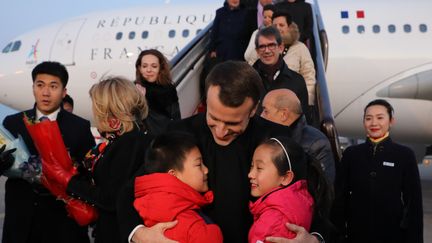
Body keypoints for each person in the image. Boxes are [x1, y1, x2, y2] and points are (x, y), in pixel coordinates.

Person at [118, 61, 326, 243]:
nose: (221, 131)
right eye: (214, 118)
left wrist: (315, 238)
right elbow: (132, 191)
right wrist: (139, 234)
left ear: (253, 110)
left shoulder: (277, 140)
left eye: (232, 123)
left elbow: (307, 203)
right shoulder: (178, 134)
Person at [43, 76, 152, 242]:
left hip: (118, 233)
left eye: (97, 106)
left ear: (109, 108)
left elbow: (111, 198)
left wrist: (69, 181)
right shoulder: (118, 140)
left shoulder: (129, 142)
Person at [1, 61, 95, 243]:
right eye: (40, 85)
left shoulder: (79, 127)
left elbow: (89, 175)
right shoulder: (12, 123)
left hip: (63, 224)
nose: (45, 93)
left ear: (64, 92)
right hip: (21, 223)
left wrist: (70, 171)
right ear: (33, 87)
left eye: (53, 86)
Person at [333, 99, 423, 243]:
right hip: (356, 234)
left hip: (392, 235)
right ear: (364, 122)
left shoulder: (404, 155)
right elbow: (339, 198)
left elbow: (413, 204)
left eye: (380, 118)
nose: (374, 123)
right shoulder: (352, 154)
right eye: (368, 118)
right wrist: (338, 235)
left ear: (391, 121)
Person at [133, 132, 223, 243]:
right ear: (173, 174)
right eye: (199, 164)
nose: (206, 170)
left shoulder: (145, 207)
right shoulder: (197, 228)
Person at [249, 137, 316, 242]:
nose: (250, 174)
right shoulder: (298, 199)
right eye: (251, 166)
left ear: (286, 177)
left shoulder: (273, 221)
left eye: (259, 168)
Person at [261, 89, 335, 183]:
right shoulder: (266, 136)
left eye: (265, 111)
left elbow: (322, 189)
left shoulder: (316, 144)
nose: (261, 115)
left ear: (283, 114)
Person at [252, 26, 309, 116]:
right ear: (257, 51)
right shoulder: (247, 80)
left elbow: (304, 120)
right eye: (262, 46)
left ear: (281, 48)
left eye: (271, 45)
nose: (267, 51)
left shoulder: (297, 81)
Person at [272, 11, 316, 107]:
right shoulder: (267, 49)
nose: (278, 28)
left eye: (281, 25)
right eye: (274, 26)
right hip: (271, 105)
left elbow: (309, 76)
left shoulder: (300, 48)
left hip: (295, 105)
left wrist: (306, 102)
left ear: (289, 27)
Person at [135, 49, 180, 135]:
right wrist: (140, 101)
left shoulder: (169, 88)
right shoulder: (134, 89)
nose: (149, 70)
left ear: (160, 68)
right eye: (144, 66)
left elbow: (176, 118)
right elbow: (133, 122)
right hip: (144, 141)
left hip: (166, 138)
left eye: (154, 66)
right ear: (139, 68)